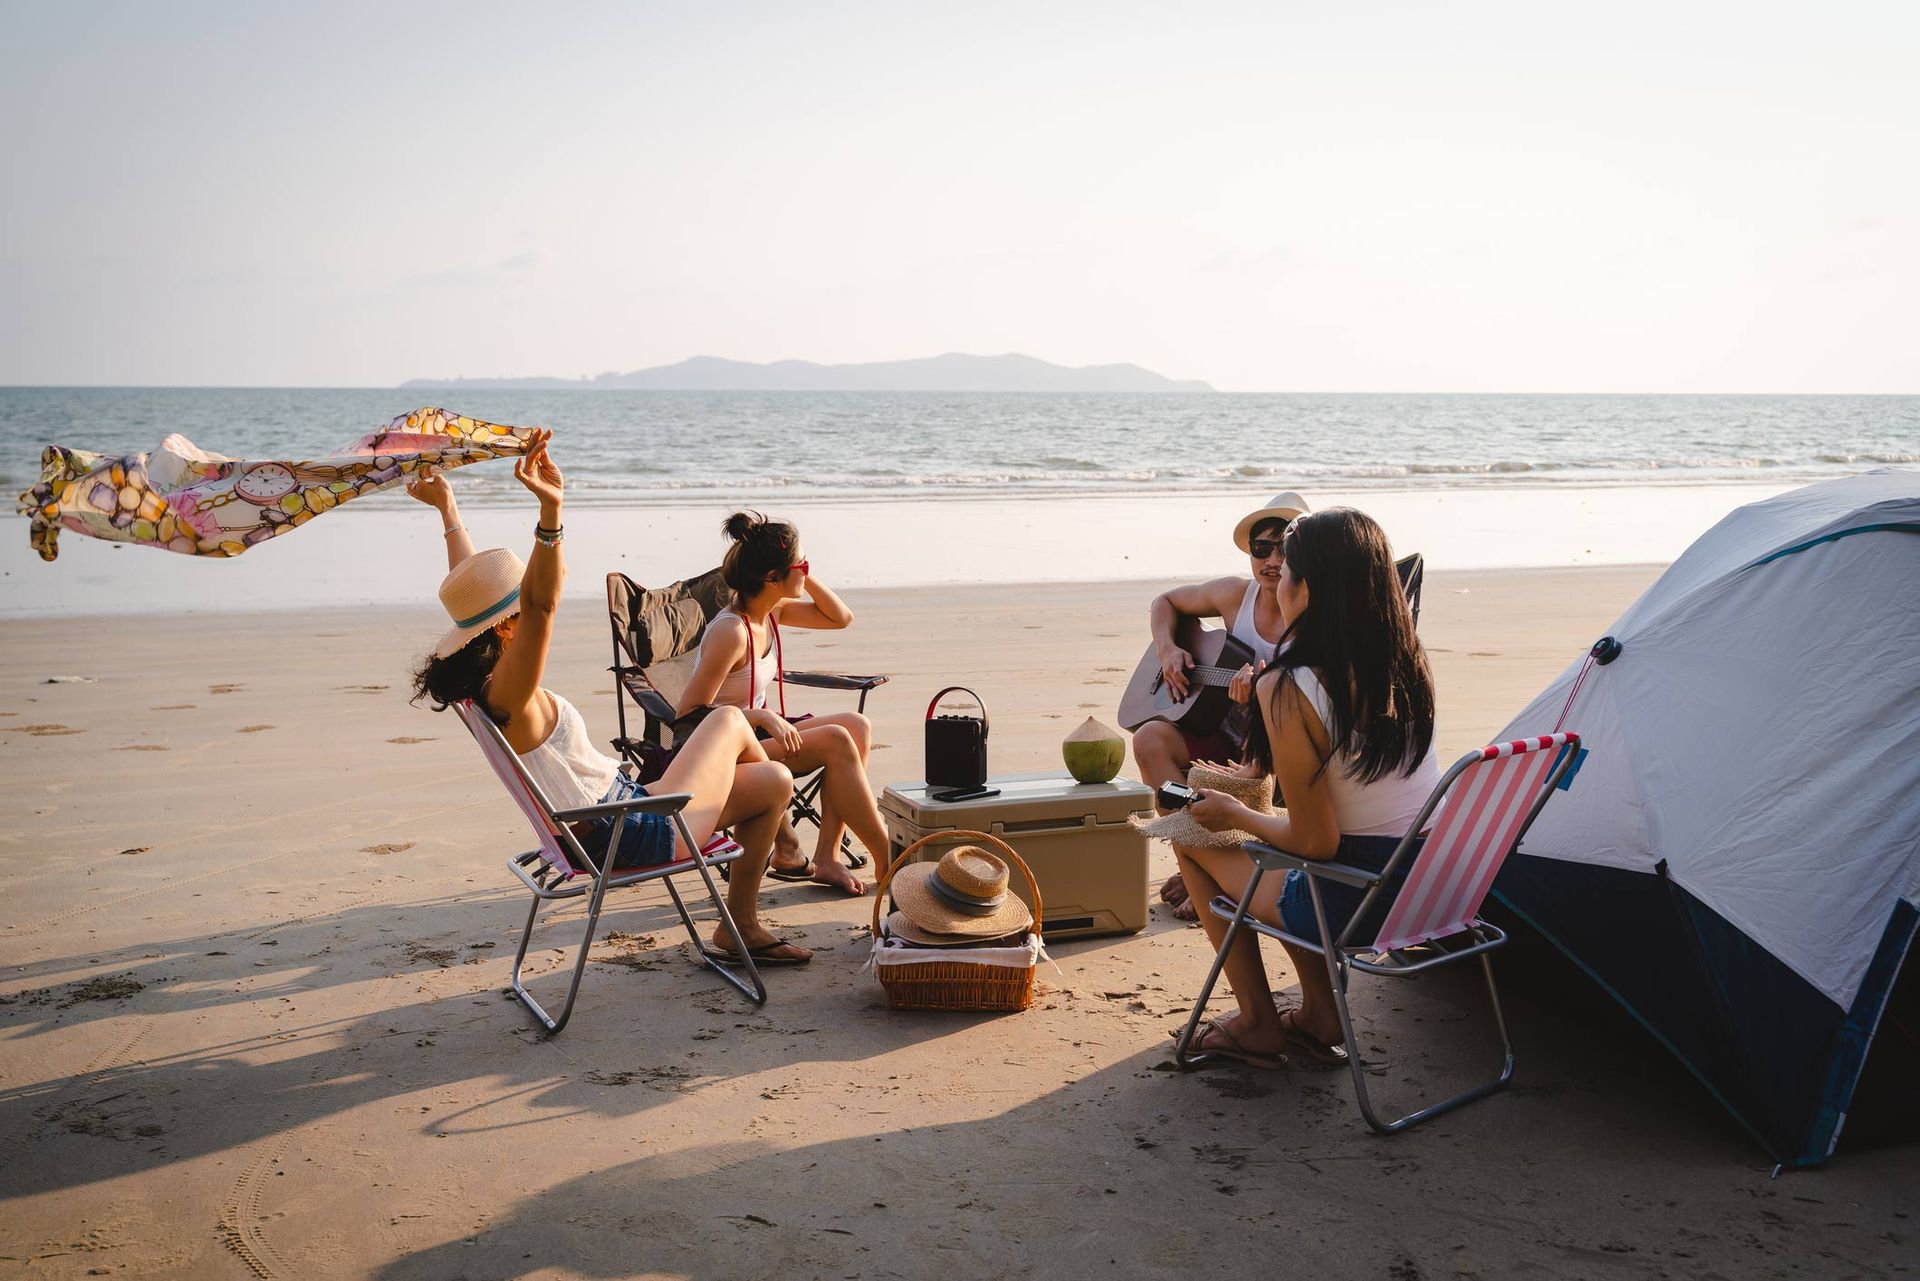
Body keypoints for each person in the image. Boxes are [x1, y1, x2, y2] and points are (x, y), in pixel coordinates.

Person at [407, 433, 813, 966]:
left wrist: (449, 511)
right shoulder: (513, 694)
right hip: (628, 832)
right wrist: (552, 513)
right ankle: (769, 880)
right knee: (734, 721)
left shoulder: (485, 682)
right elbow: (542, 605)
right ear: (508, 628)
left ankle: (750, 909)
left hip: (619, 811)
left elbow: (477, 592)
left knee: (775, 780)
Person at [1173, 507, 1438, 1069]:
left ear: (1308, 588)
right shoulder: (1408, 663)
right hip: (1435, 888)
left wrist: (1233, 815)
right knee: (1279, 856)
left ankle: (1257, 1023)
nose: (1278, 578)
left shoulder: (1290, 685)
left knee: (1192, 833)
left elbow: (1314, 842)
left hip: (1360, 900)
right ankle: (1319, 1016)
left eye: (1286, 567)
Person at [677, 511, 891, 896]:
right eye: (801, 566)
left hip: (758, 736)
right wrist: (757, 715)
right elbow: (688, 716)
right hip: (725, 752)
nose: (806, 572)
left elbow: (841, 618)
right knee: (838, 738)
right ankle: (889, 859)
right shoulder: (732, 632)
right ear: (771, 578)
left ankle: (827, 857)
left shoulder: (772, 611)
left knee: (857, 726)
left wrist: (800, 571)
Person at [1136, 491, 1309, 920]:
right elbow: (1165, 602)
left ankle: (1218, 876)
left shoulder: (1313, 615)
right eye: (1260, 548)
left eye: (1283, 548)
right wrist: (1168, 650)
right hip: (1223, 730)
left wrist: (1264, 704)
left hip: (1280, 751)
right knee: (1150, 739)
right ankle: (1197, 866)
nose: (1271, 560)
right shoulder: (1236, 596)